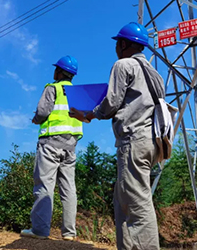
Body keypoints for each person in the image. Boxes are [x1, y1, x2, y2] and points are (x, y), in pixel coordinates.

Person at [70, 22, 164, 250]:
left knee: (137, 203)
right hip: (151, 141)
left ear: (123, 44)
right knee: (123, 201)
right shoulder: (154, 74)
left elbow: (111, 102)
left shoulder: (123, 65)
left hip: (133, 140)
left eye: (117, 43)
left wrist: (90, 114)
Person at [20, 55, 83, 241]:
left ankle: (40, 231)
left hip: (51, 143)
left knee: (45, 185)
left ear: (59, 71)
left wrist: (36, 119)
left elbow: (42, 112)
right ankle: (69, 233)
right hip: (71, 145)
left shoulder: (52, 88)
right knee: (69, 188)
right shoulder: (78, 92)